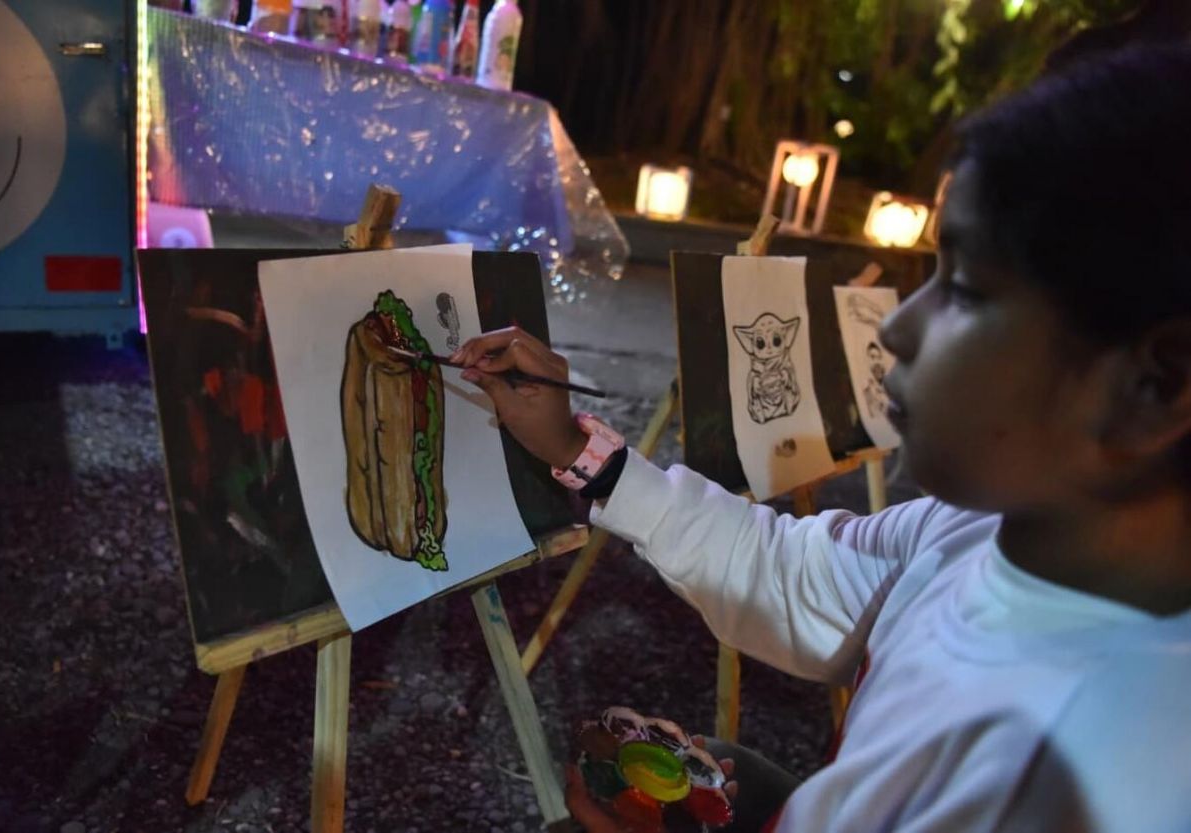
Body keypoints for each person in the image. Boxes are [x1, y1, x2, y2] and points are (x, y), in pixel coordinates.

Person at [455, 45, 1191, 832]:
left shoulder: (1074, 777)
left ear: (1157, 386)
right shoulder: (985, 529)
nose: (901, 327)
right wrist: (578, 450)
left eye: (967, 292)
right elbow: (790, 573)